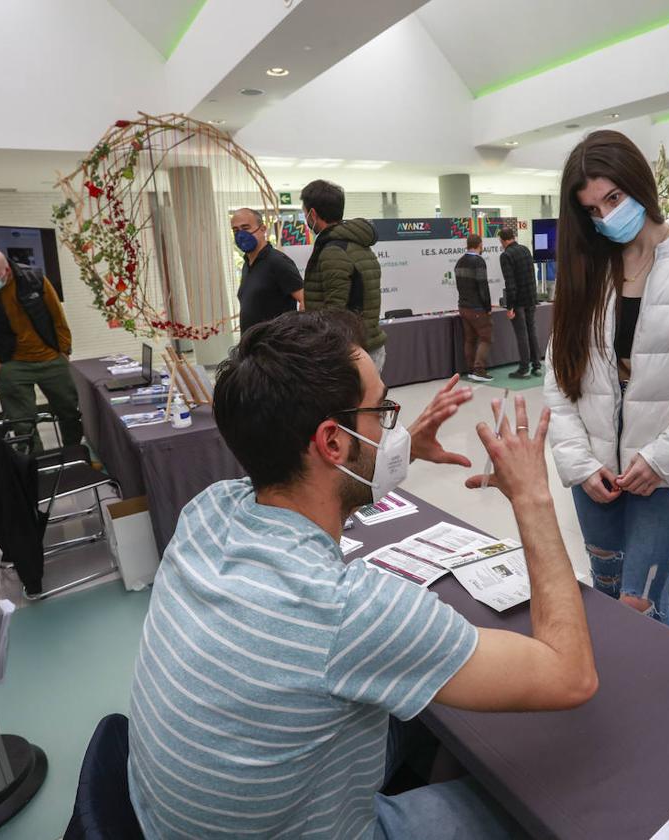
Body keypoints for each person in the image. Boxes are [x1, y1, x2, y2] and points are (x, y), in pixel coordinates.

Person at [127, 310, 597, 839]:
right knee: (536, 808)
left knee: (430, 722)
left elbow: (323, 490)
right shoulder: (344, 610)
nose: (390, 426)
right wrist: (534, 496)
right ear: (333, 442)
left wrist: (394, 452)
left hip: (168, 821)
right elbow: (570, 676)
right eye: (382, 413)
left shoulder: (206, 512)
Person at [544, 130, 669, 629]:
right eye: (592, 210)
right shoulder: (588, 269)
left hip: (662, 476)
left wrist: (663, 458)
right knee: (607, 596)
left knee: (644, 605)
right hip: (594, 477)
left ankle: (662, 704)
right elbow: (560, 376)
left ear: (639, 183)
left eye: (613, 198)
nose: (606, 217)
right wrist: (577, 462)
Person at [0, 247, 81, 450]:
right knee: (22, 423)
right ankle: (35, 466)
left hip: (51, 358)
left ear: (7, 270)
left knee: (69, 411)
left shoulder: (33, 279)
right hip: (11, 364)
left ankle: (75, 452)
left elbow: (57, 317)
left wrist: (63, 352)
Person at [301, 179, 387, 371]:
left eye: (305, 213)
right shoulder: (357, 244)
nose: (305, 218)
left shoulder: (334, 251)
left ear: (313, 214)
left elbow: (335, 313)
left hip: (350, 353)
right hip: (366, 345)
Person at [232, 207, 303, 335]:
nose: (240, 235)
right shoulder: (247, 265)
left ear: (263, 229)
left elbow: (305, 300)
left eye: (246, 228)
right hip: (252, 347)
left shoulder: (277, 261)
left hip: (276, 348)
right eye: (235, 230)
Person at [498, 228, 541, 379]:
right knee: (531, 332)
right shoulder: (525, 250)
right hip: (531, 298)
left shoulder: (506, 256)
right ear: (513, 237)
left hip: (518, 302)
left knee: (521, 335)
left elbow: (510, 284)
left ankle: (523, 368)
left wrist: (510, 307)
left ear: (502, 240)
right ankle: (536, 365)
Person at [455, 233, 493, 383]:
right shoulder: (478, 262)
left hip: (463, 306)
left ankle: (471, 370)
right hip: (477, 307)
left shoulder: (459, 262)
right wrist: (488, 306)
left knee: (469, 339)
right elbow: (483, 286)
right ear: (480, 245)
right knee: (486, 337)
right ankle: (479, 369)